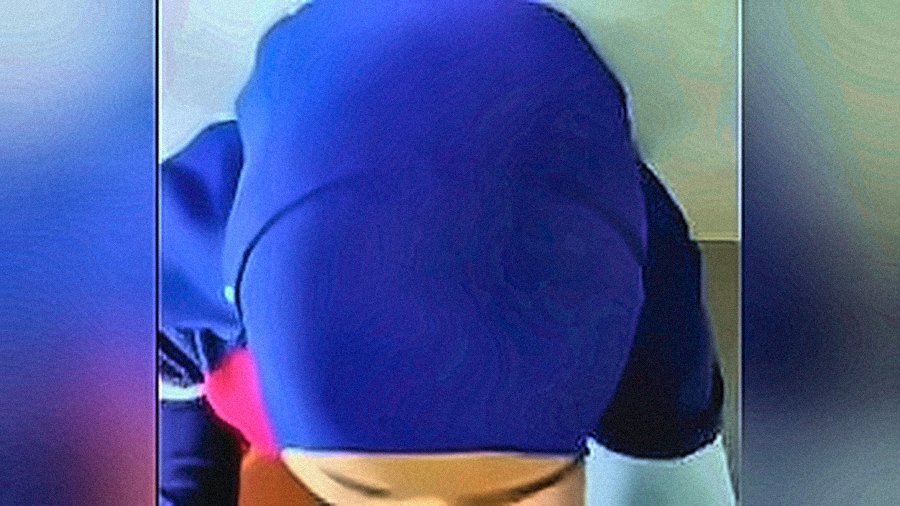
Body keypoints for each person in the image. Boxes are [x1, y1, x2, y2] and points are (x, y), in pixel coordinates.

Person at [160, 1, 735, 504]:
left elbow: (667, 430)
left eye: (513, 497)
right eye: (365, 495)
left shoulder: (636, 272)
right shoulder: (205, 241)